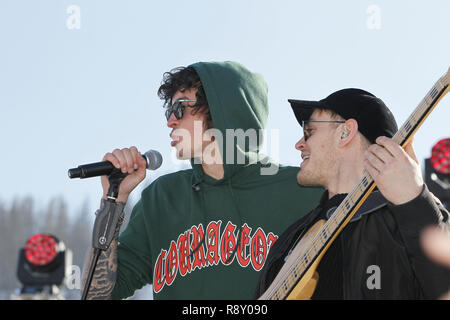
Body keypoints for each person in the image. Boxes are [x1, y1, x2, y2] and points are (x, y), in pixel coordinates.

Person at [82, 61, 323, 300]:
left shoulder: (303, 189)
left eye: (180, 108)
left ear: (223, 108)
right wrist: (113, 201)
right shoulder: (162, 198)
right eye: (169, 112)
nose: (170, 121)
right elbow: (97, 296)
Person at [254, 88, 450, 299]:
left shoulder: (414, 214)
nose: (299, 144)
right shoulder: (291, 238)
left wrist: (414, 202)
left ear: (345, 132)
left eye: (309, 131)